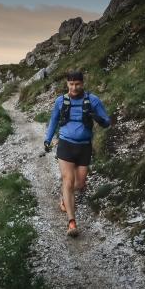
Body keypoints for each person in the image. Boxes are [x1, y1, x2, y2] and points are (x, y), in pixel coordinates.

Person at [43, 70, 111, 237]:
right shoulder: (61, 101)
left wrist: (97, 118)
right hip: (65, 144)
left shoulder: (92, 100)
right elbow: (53, 121)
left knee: (79, 184)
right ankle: (72, 223)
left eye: (77, 84)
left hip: (84, 146)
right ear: (67, 84)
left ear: (82, 83)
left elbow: (107, 122)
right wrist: (47, 139)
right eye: (71, 84)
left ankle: (64, 198)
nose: (74, 87)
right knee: (68, 180)